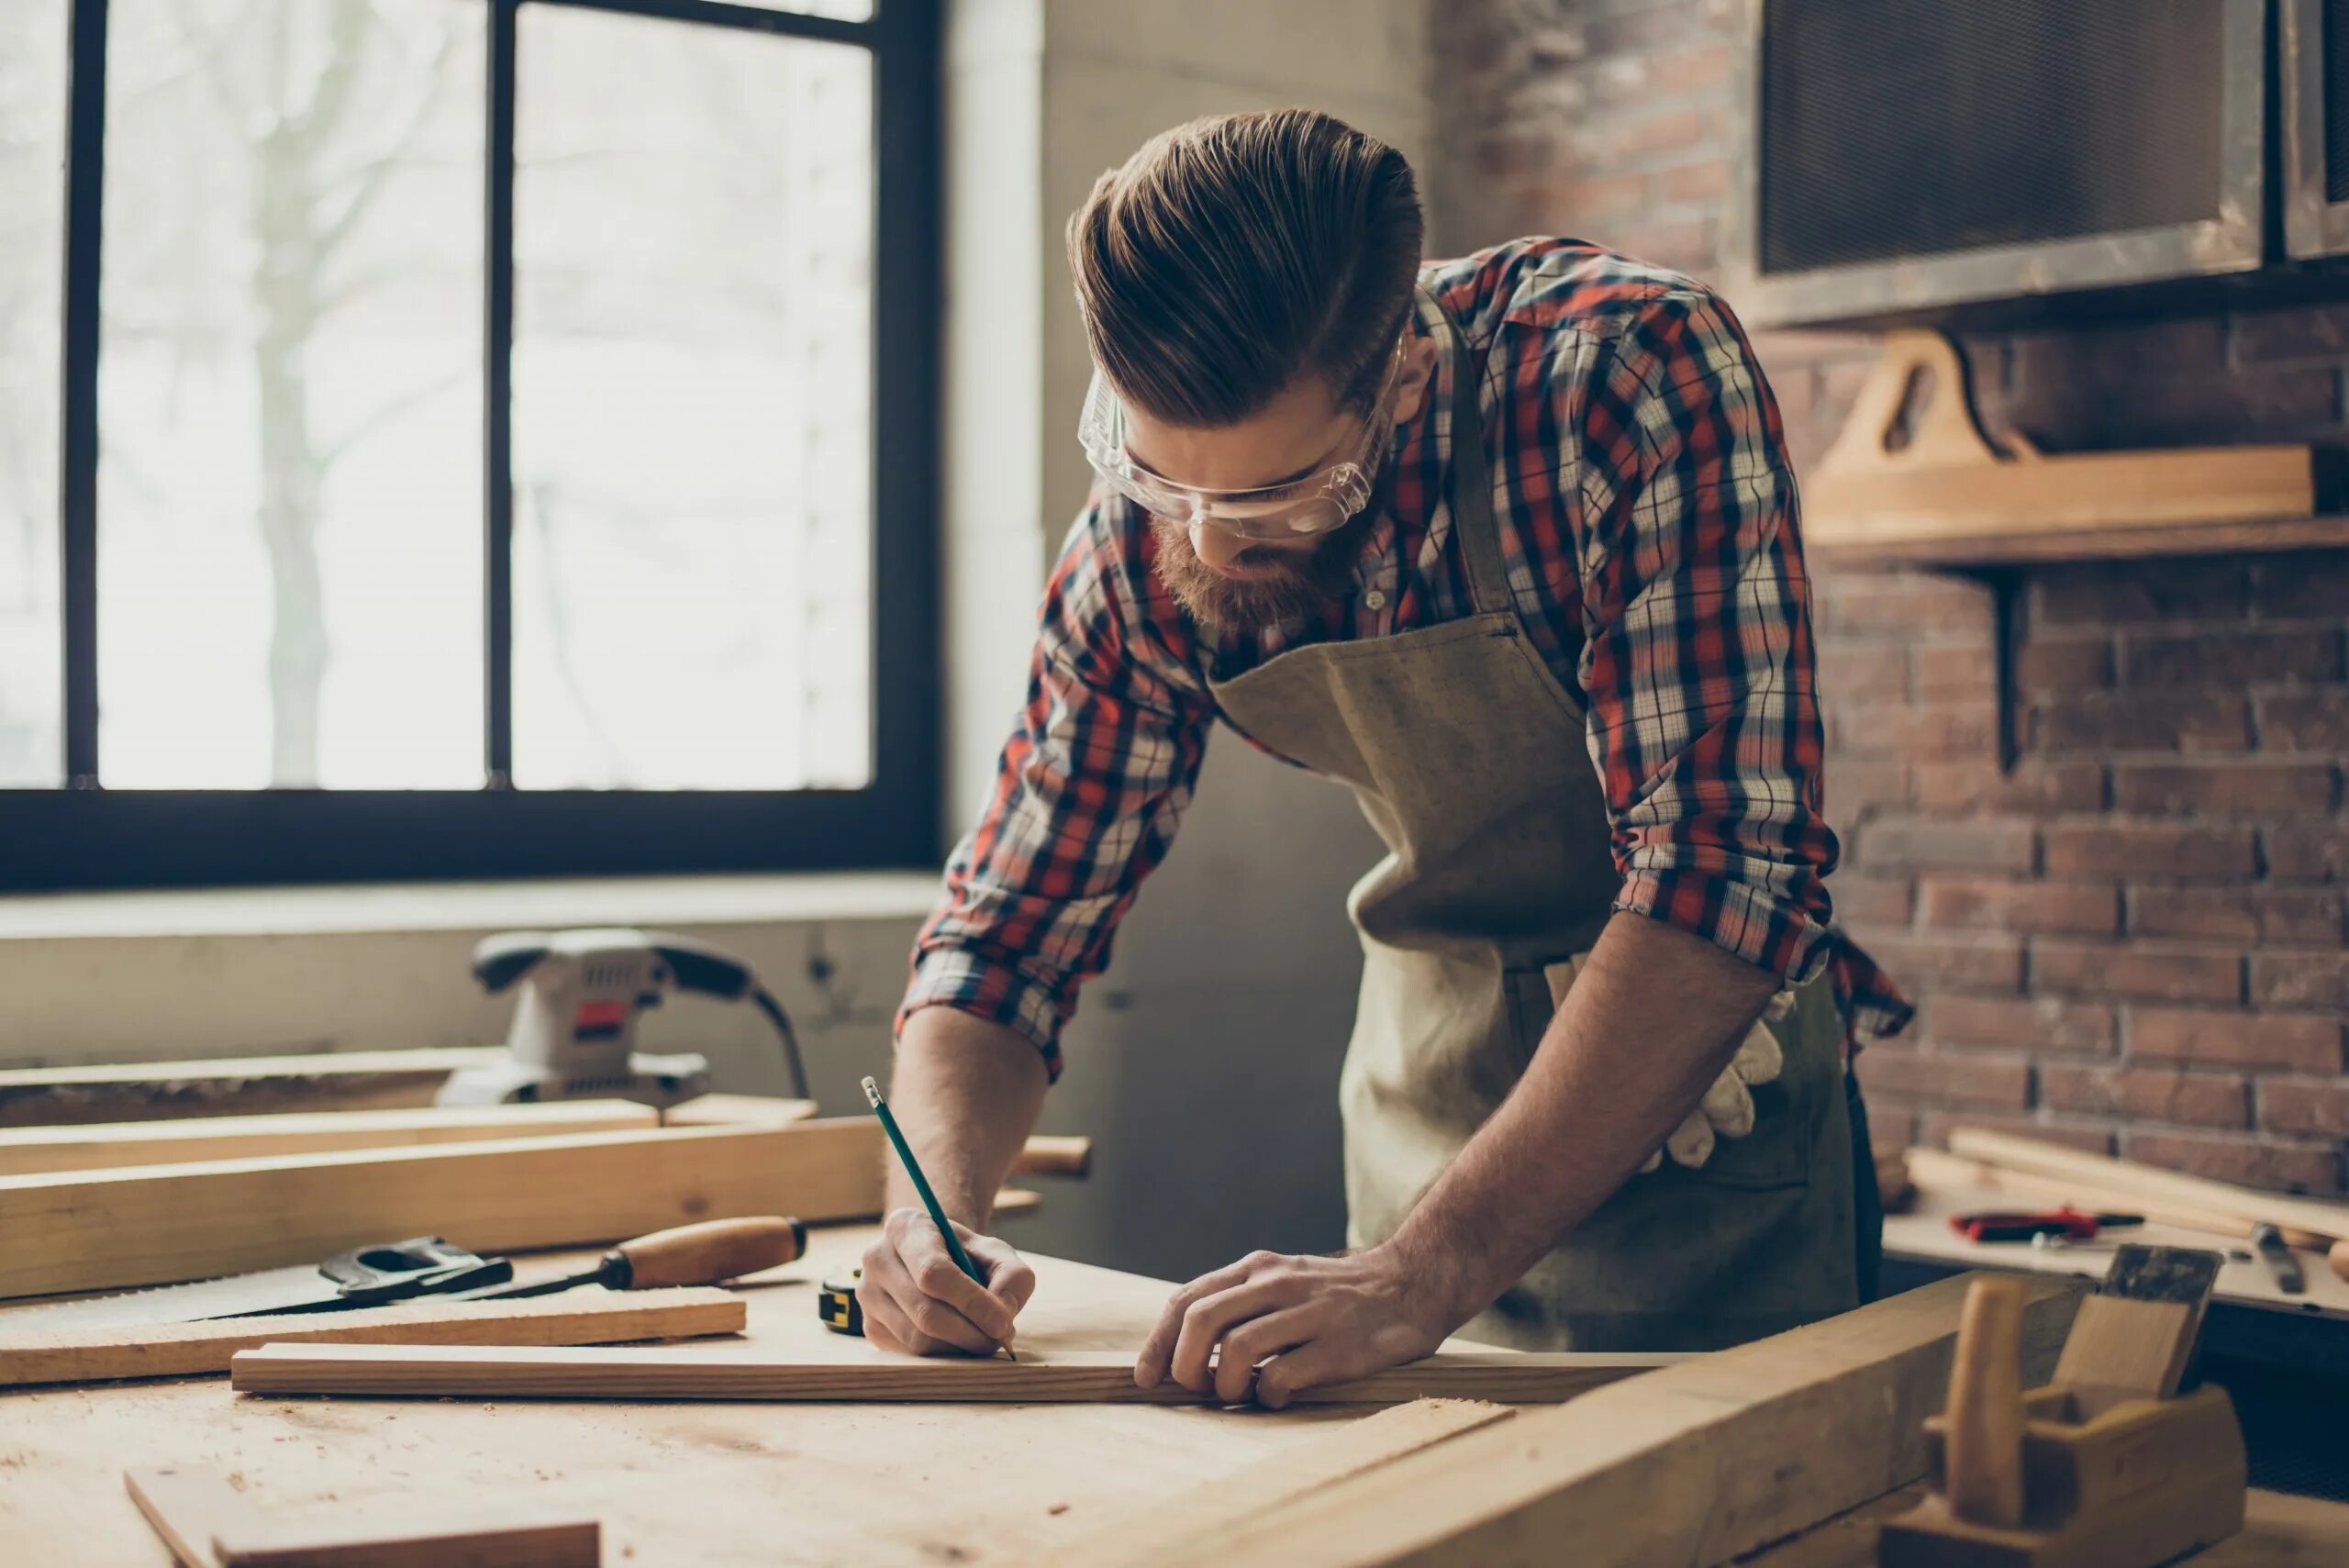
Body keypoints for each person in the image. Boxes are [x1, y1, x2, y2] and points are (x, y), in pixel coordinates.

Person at [858, 108, 1910, 1406]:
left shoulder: (1623, 378)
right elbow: (1006, 934)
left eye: (1271, 497)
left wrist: (1423, 1269)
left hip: (1710, 1128)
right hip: (1425, 1135)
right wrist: (930, 1210)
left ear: (1404, 374)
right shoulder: (1154, 526)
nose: (1209, 539)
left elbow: (1727, 870)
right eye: (1158, 473)